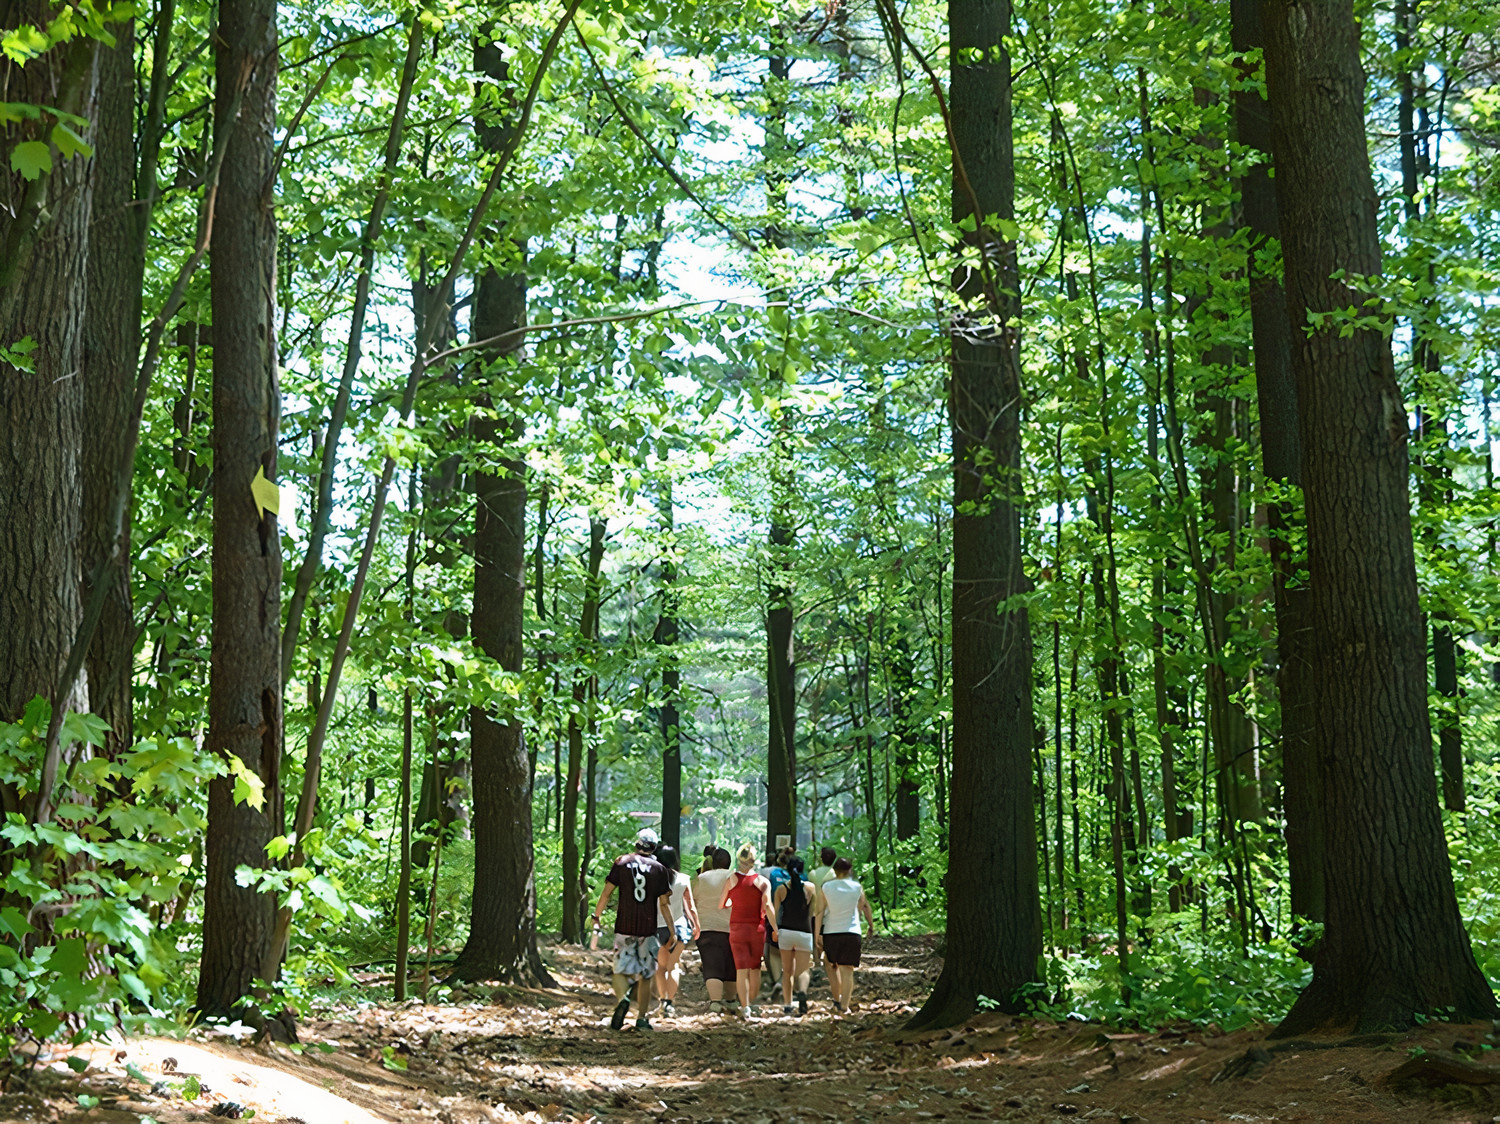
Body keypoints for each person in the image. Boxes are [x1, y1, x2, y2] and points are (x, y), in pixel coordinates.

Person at [592, 827, 675, 1031]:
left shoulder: (621, 863)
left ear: (637, 844)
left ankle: (623, 999)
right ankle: (642, 1018)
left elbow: (606, 893)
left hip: (624, 926)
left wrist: (597, 916)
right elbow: (664, 904)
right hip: (647, 929)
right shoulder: (659, 870)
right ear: (654, 847)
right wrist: (672, 931)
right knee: (646, 975)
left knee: (619, 971)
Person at [718, 843, 779, 1019]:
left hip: (737, 929)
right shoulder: (762, 882)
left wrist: (733, 903)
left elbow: (722, 904)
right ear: (754, 861)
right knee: (755, 968)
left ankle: (745, 1007)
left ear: (739, 859)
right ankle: (753, 1003)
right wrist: (775, 929)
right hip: (757, 929)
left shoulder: (731, 879)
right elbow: (768, 906)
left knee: (741, 970)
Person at [813, 855, 876, 1016]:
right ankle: (844, 1006)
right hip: (852, 932)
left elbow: (819, 911)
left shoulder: (826, 887)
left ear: (834, 871)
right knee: (847, 970)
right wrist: (870, 925)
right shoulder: (857, 887)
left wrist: (816, 934)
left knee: (831, 965)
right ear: (849, 871)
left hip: (831, 932)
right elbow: (865, 906)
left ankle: (836, 999)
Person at [652, 844, 700, 1018]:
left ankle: (662, 999)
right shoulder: (684, 879)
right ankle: (670, 1003)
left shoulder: (653, 878)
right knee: (674, 966)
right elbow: (691, 906)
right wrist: (696, 925)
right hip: (679, 926)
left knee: (660, 968)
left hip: (657, 927)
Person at [692, 847, 737, 1013]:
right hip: (732, 927)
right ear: (730, 862)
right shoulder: (735, 877)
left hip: (706, 927)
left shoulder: (701, 878)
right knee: (731, 965)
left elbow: (693, 899)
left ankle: (715, 1002)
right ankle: (731, 1000)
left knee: (712, 964)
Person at [773, 855, 815, 1016]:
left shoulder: (781, 889)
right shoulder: (811, 888)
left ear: (787, 870)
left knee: (788, 971)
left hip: (786, 932)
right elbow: (813, 913)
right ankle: (802, 992)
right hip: (804, 932)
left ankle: (787, 1004)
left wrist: (775, 931)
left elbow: (776, 914)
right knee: (803, 970)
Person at [807, 846, 837, 969]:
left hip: (814, 910)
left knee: (815, 935)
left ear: (821, 858)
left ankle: (817, 961)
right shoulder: (835, 874)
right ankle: (830, 961)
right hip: (832, 911)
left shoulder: (813, 874)